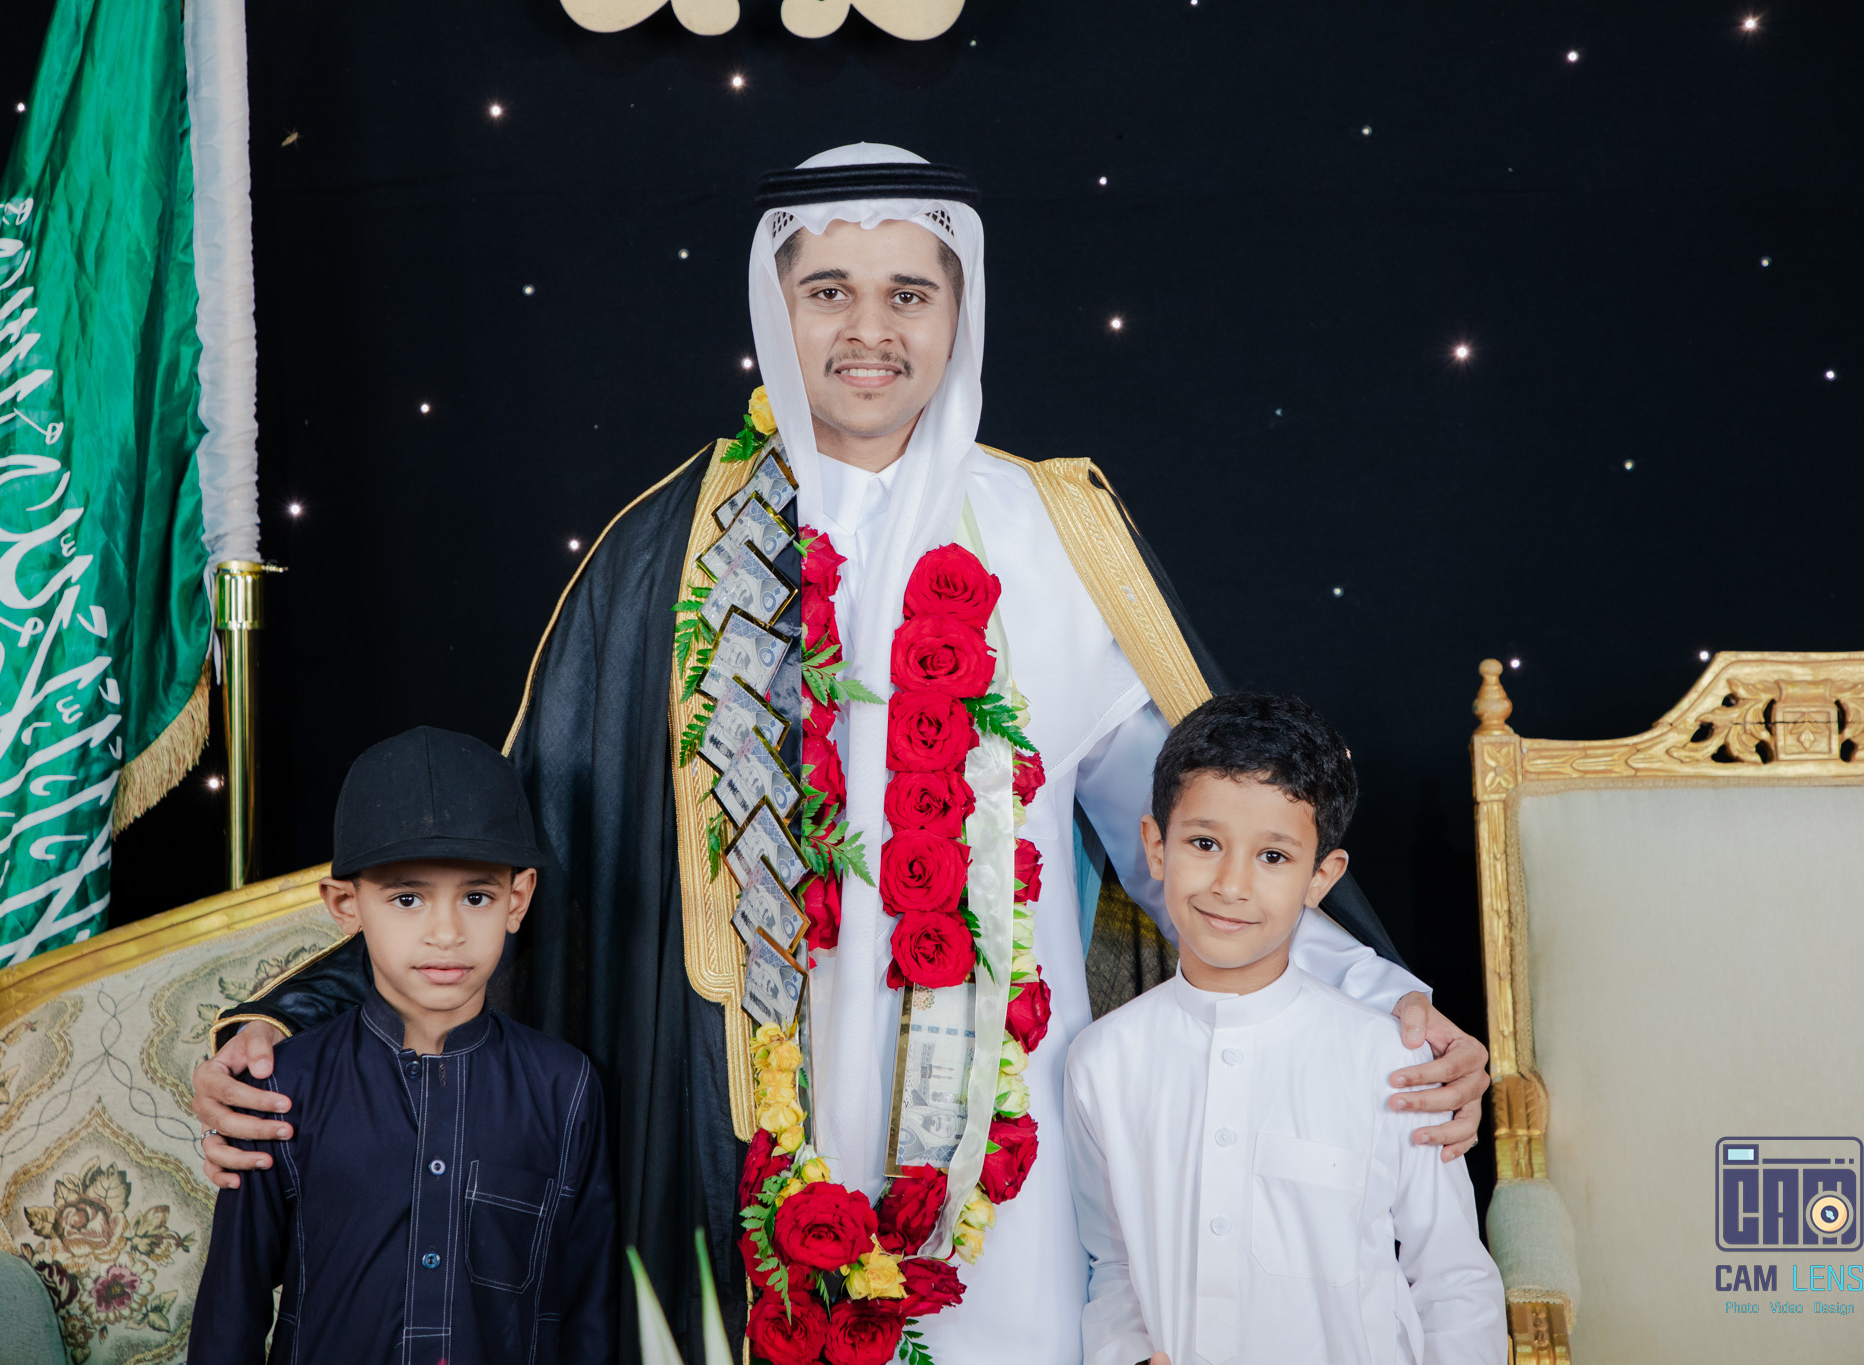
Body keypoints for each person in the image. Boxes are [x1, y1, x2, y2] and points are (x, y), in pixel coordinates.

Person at [189, 145, 1491, 1361]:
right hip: (745, 1115)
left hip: (998, 1122)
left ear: (958, 311)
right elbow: (518, 842)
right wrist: (288, 1022)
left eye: (908, 293)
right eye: (829, 292)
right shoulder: (671, 551)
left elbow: (1200, 843)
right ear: (776, 308)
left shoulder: (1054, 533)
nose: (870, 329)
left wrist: (1384, 1006)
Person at [1065, 694, 1505, 1365]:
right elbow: (1115, 1266)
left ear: (1321, 877)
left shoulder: (1389, 1060)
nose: (1232, 885)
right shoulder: (1102, 1062)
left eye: (1273, 856)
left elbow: (1453, 1281)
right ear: (1156, 846)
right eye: (1205, 844)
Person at [187, 728, 614, 1365]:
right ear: (345, 905)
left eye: (476, 897)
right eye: (407, 898)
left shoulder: (564, 1087)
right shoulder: (280, 1089)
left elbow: (589, 1312)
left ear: (518, 899)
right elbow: (231, 1314)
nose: (446, 932)